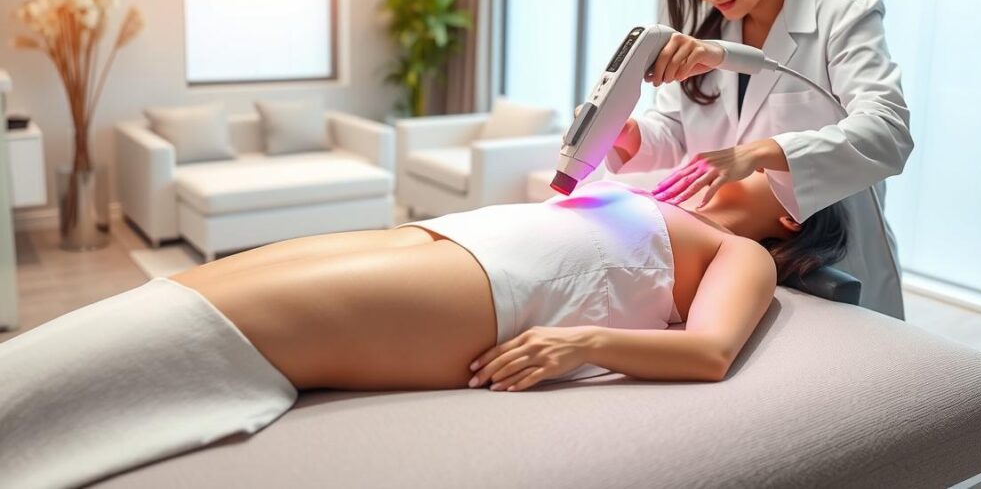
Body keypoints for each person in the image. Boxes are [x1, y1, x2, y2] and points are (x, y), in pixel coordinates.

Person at [0, 172, 846, 488]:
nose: (748, 152)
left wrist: (581, 343)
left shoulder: (745, 254)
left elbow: (708, 352)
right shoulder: (672, 190)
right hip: (452, 241)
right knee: (189, 291)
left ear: (792, 210)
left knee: (222, 325)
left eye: (776, 167)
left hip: (486, 291)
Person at [606, 0, 913, 318]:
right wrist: (629, 133)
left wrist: (762, 153)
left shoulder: (843, 15)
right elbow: (674, 130)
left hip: (827, 255)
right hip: (733, 255)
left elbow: (888, 132)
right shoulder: (711, 33)